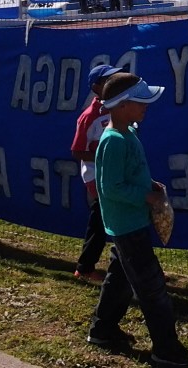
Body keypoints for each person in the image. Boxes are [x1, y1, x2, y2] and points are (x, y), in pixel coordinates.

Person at [88, 72, 188, 368]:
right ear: (122, 105)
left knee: (120, 278)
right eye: (141, 102)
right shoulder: (114, 141)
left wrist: (148, 184)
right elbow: (111, 187)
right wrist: (146, 196)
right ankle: (166, 350)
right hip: (128, 226)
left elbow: (130, 172)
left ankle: (102, 330)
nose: (146, 106)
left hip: (130, 223)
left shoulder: (128, 133)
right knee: (153, 290)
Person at [70, 63, 121, 282]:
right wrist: (105, 157)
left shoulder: (119, 108)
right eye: (108, 80)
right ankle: (84, 269)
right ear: (96, 87)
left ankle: (139, 268)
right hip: (97, 178)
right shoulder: (89, 116)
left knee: (118, 223)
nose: (114, 83)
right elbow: (77, 151)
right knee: (100, 225)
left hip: (116, 175)